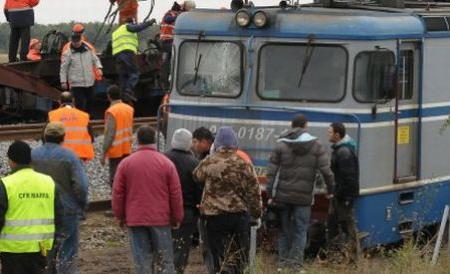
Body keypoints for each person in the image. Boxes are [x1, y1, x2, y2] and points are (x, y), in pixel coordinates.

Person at [266, 114, 334, 271]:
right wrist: (330, 190)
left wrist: (270, 194)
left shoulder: (281, 145)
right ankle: (296, 265)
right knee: (300, 230)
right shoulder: (316, 145)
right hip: (304, 198)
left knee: (284, 230)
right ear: (305, 126)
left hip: (282, 196)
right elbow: (326, 171)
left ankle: (282, 264)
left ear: (292, 126)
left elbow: (272, 172)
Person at [112, 126, 184, 274]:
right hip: (161, 219)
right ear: (155, 140)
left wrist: (119, 215)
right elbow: (175, 193)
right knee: (165, 260)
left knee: (142, 260)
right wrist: (177, 216)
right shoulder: (166, 163)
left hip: (135, 218)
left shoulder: (125, 164)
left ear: (137, 140)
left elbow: (118, 193)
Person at [193, 126, 262, 274]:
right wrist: (256, 214)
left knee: (218, 255)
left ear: (216, 143)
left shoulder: (209, 161)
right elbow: (254, 192)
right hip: (238, 217)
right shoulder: (244, 163)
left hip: (214, 218)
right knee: (239, 256)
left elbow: (196, 176)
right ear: (235, 143)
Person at [32, 122, 89, 274]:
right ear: (63, 137)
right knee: (68, 249)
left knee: (47, 248)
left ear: (45, 136)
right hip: (67, 209)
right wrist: (81, 205)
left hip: (41, 209)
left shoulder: (33, 155)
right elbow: (81, 186)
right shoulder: (70, 156)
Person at [0, 140, 60, 274]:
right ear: (30, 160)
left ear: (11, 160)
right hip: (43, 249)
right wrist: (54, 245)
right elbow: (59, 216)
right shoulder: (48, 182)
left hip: (13, 251)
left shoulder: (5, 184)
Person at [165, 128, 202, 274]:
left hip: (163, 211)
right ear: (189, 143)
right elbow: (199, 189)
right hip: (187, 212)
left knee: (163, 246)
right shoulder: (194, 163)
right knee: (181, 248)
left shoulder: (163, 158)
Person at [327, 122, 360, 259]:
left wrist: (346, 197)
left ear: (337, 134)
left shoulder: (344, 153)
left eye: (330, 132)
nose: (327, 134)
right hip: (338, 195)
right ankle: (335, 256)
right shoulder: (340, 149)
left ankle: (353, 258)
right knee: (333, 223)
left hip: (343, 196)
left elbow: (349, 178)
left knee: (347, 226)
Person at [112, 17, 157, 102]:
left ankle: (123, 97)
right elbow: (137, 28)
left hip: (118, 56)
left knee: (124, 77)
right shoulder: (128, 27)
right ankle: (128, 91)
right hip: (126, 53)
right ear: (131, 23)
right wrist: (149, 23)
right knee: (134, 73)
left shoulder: (116, 32)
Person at [60, 32, 103, 113]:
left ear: (81, 40)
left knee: (90, 102)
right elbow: (63, 68)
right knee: (80, 104)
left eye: (77, 41)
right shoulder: (68, 54)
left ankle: (88, 120)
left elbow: (96, 60)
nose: (76, 43)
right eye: (74, 41)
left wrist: (99, 68)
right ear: (72, 41)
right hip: (76, 84)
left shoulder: (89, 51)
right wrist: (63, 81)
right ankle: (81, 120)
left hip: (89, 82)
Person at [101, 85, 134, 187]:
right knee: (125, 178)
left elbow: (109, 135)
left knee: (115, 180)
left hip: (116, 150)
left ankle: (116, 201)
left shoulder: (112, 111)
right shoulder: (129, 109)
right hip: (127, 147)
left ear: (109, 96)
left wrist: (104, 153)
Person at [48, 92, 95, 161]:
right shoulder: (84, 115)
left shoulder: (53, 115)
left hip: (59, 155)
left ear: (59, 102)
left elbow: (45, 137)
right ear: (73, 100)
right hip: (79, 155)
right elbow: (91, 137)